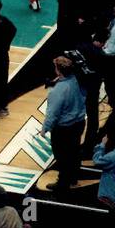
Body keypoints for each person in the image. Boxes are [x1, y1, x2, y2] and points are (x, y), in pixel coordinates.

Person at [41, 55, 87, 194]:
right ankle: (73, 178)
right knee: (74, 152)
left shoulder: (57, 91)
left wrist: (45, 128)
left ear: (58, 70)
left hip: (64, 128)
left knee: (62, 156)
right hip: (79, 122)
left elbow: (53, 113)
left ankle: (62, 183)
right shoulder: (75, 80)